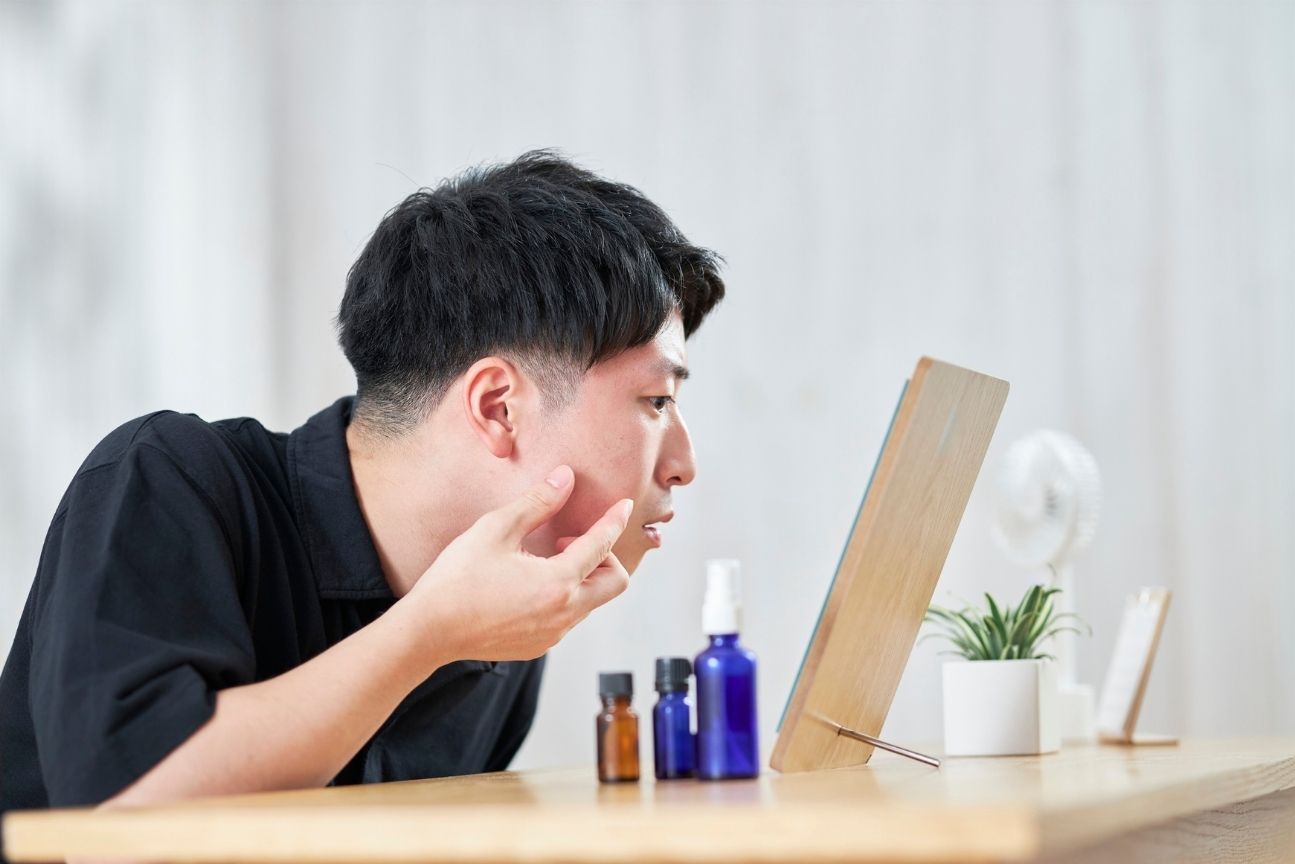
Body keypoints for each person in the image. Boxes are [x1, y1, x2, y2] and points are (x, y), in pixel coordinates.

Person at [0, 150, 725, 818]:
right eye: (657, 402)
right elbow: (122, 815)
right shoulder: (169, 479)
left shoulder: (501, 626)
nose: (684, 463)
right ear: (498, 407)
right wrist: (429, 634)